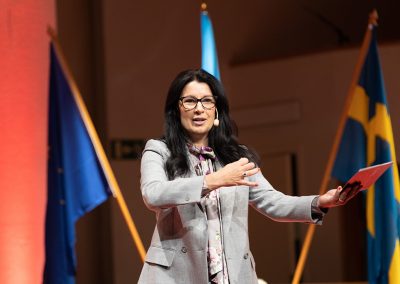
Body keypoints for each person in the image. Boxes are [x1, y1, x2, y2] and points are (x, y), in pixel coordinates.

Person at [138, 69, 355, 284]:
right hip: (176, 276)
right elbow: (153, 194)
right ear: (177, 109)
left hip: (232, 276)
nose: (199, 109)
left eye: (206, 101)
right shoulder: (159, 150)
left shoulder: (236, 156)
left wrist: (320, 202)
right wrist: (212, 180)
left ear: (216, 110)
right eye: (190, 101)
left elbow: (274, 202)